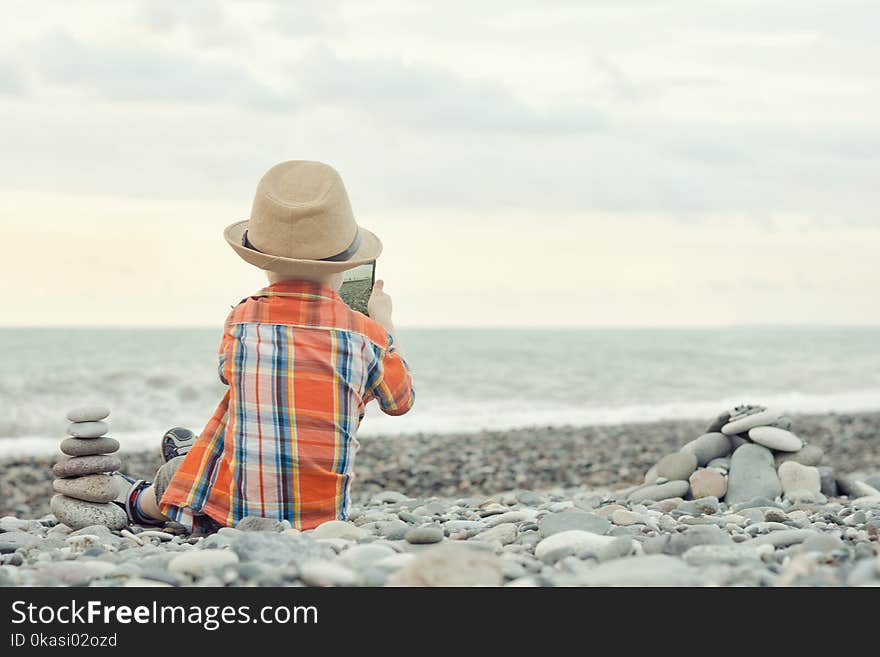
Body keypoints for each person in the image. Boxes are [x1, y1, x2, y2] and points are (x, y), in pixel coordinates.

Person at [113, 160, 415, 533]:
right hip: (322, 518)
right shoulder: (366, 334)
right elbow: (400, 401)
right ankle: (183, 466)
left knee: (242, 403)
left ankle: (145, 501)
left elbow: (228, 372)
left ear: (265, 264)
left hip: (237, 510)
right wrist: (384, 324)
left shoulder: (242, 320)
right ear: (343, 268)